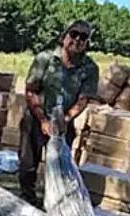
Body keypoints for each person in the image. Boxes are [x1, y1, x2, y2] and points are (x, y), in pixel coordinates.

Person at [19, 19, 99, 205]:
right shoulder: (45, 59)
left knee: (59, 166)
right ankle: (27, 197)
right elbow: (30, 90)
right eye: (74, 34)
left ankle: (53, 202)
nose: (77, 40)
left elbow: (83, 99)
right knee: (27, 163)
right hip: (36, 118)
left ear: (87, 42)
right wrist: (43, 121)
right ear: (64, 36)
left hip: (64, 122)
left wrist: (66, 118)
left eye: (83, 37)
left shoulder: (89, 68)